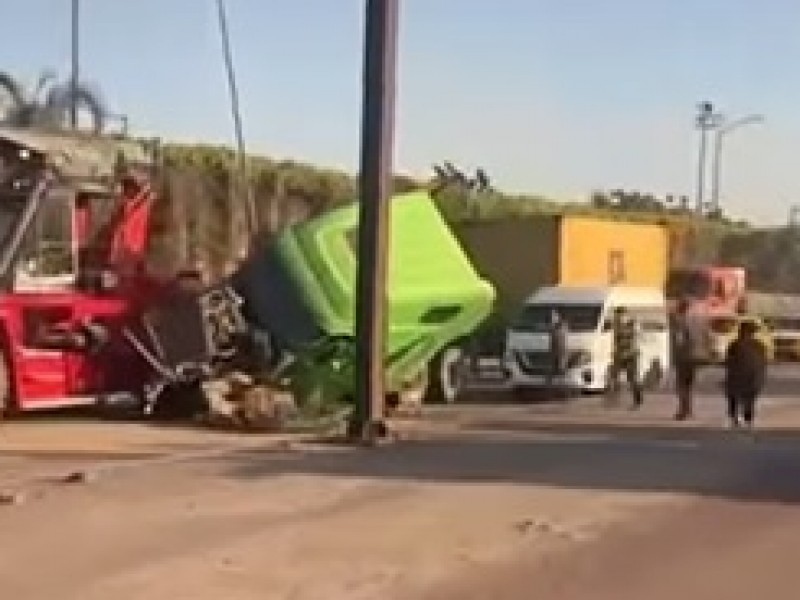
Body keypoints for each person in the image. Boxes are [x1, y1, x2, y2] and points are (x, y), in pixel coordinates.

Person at [670, 298, 713, 421]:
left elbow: (679, 339)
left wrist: (675, 352)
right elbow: (708, 336)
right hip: (697, 356)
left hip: (684, 356)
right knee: (689, 384)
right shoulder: (699, 320)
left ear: (680, 308)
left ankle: (684, 411)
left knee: (681, 385)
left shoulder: (680, 321)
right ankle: (689, 410)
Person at [724, 320, 768, 430]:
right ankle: (748, 420)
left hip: (738, 376)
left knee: (734, 396)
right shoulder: (759, 345)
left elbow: (729, 361)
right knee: (749, 398)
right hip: (752, 377)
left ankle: (735, 418)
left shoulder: (735, 344)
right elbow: (763, 363)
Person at [607, 306, 643, 409]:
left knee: (632, 378)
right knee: (613, 375)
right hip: (620, 355)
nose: (617, 318)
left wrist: (626, 333)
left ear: (624, 315)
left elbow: (633, 338)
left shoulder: (631, 325)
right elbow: (617, 341)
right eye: (616, 316)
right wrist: (615, 351)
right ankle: (612, 399)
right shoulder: (617, 325)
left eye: (619, 316)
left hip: (631, 355)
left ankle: (638, 400)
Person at [547, 310, 569, 389]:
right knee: (553, 366)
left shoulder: (563, 326)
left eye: (555, 316)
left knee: (561, 367)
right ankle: (551, 383)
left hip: (561, 349)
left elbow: (560, 334)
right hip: (555, 349)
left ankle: (562, 383)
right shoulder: (553, 327)